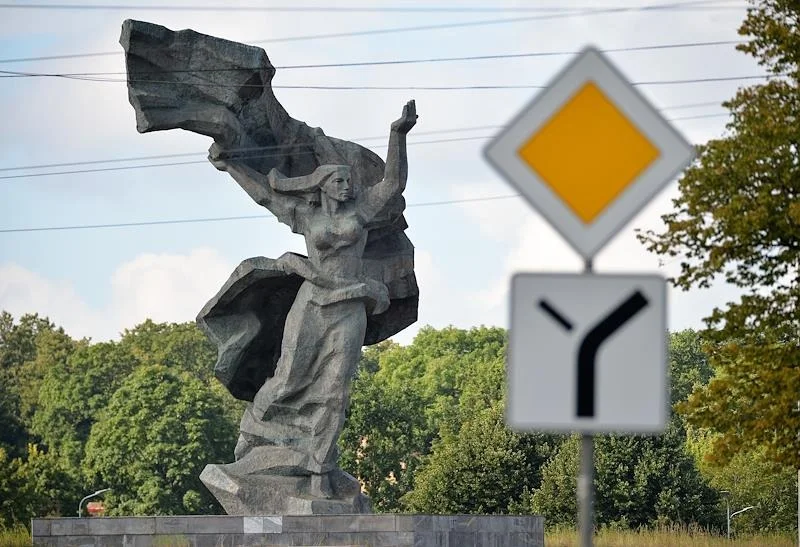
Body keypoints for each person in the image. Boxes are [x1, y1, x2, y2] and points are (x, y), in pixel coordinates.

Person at [206, 100, 417, 499]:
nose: (348, 186)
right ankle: (255, 434)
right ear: (322, 185)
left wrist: (397, 134)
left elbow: (393, 184)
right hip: (312, 307)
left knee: (335, 391)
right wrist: (231, 166)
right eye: (340, 181)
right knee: (289, 379)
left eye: (349, 180)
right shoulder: (307, 216)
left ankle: (319, 472)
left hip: (349, 310)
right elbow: (264, 195)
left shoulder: (361, 212)